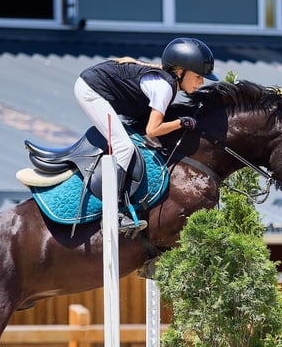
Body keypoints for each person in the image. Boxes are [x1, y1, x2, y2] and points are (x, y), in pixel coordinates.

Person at [74, 37, 218, 234]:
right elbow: (152, 130)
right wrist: (181, 122)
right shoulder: (165, 88)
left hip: (100, 84)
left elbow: (152, 66)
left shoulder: (169, 78)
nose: (201, 83)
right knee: (124, 147)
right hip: (91, 91)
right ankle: (112, 212)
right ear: (180, 72)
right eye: (198, 77)